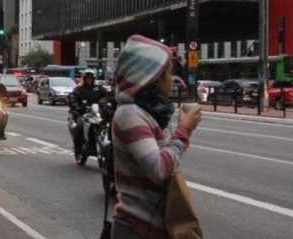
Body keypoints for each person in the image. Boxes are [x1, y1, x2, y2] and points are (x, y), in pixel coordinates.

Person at [111, 35, 202, 239]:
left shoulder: (144, 113)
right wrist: (184, 129)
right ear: (152, 77)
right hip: (139, 229)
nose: (172, 79)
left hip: (150, 228)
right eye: (168, 73)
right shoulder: (130, 115)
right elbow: (159, 170)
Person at [67, 68, 109, 159]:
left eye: (91, 78)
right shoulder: (79, 89)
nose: (89, 79)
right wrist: (74, 104)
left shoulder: (99, 89)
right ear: (84, 78)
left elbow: (108, 97)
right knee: (79, 126)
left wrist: (110, 102)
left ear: (93, 78)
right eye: (87, 78)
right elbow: (72, 96)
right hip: (84, 113)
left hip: (98, 113)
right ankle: (78, 150)